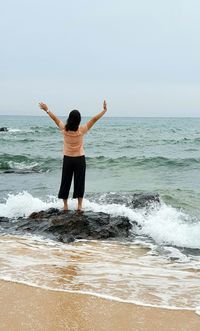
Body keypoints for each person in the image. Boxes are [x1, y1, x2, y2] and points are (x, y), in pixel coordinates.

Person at [39, 101, 107, 211]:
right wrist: (104, 110)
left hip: (68, 159)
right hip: (80, 159)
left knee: (65, 181)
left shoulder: (64, 129)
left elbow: (55, 119)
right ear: (79, 120)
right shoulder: (82, 129)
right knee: (80, 182)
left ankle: (65, 206)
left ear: (69, 119)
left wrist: (46, 109)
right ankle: (79, 206)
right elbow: (94, 119)